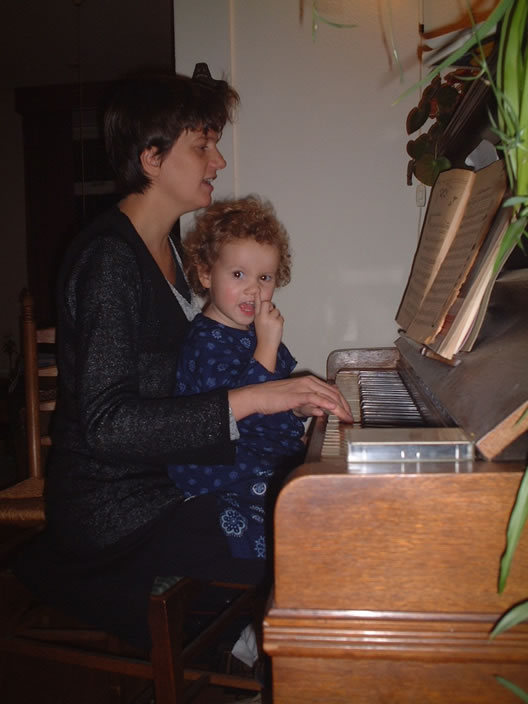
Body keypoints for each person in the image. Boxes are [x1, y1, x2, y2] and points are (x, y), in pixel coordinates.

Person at [14, 65, 353, 651]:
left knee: (315, 509)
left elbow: (199, 376)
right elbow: (108, 424)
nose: (217, 161)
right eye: (202, 146)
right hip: (119, 509)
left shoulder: (167, 250)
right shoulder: (109, 260)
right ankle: (262, 653)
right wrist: (258, 396)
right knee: (308, 537)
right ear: (151, 158)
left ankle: (252, 647)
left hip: (176, 480)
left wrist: (282, 394)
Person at [168, 195, 306, 562]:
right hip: (221, 473)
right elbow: (244, 410)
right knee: (298, 517)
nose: (253, 289)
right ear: (205, 274)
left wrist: (301, 406)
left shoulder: (253, 331)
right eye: (238, 274)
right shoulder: (205, 340)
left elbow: (279, 393)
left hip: (255, 459)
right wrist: (267, 344)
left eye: (264, 277)